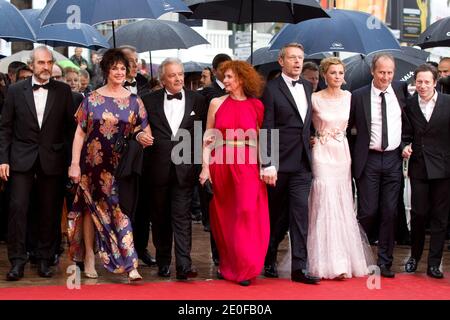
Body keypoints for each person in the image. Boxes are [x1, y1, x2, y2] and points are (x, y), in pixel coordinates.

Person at [67, 48, 153, 281]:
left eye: (122, 68)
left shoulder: (135, 102)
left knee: (120, 212)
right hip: (91, 166)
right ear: (106, 70)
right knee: (89, 211)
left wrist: (141, 137)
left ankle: (130, 263)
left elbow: (145, 133)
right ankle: (89, 258)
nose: (119, 72)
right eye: (114, 68)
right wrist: (74, 164)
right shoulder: (91, 99)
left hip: (120, 168)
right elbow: (79, 134)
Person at [0, 46, 74, 281]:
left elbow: (70, 130)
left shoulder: (63, 91)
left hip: (52, 159)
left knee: (49, 211)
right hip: (20, 158)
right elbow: (5, 128)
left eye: (48, 62)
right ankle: (18, 261)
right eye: (41, 63)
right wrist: (3, 159)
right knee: (18, 208)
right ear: (31, 65)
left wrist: (71, 160)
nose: (45, 67)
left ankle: (44, 258)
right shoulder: (14, 90)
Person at [199, 60, 269, 286]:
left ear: (241, 79)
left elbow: (260, 139)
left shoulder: (256, 105)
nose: (225, 81)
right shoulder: (216, 103)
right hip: (221, 164)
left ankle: (246, 265)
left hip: (248, 165)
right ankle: (231, 265)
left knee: (246, 211)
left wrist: (266, 166)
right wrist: (205, 168)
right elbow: (207, 138)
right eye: (224, 77)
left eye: (229, 77)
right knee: (225, 217)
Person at [138, 58, 206, 280]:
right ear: (162, 79)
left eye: (180, 74)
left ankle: (184, 265)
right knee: (159, 218)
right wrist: (140, 135)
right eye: (172, 75)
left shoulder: (198, 100)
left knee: (182, 216)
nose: (178, 79)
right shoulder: (148, 100)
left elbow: (204, 133)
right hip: (156, 168)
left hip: (186, 168)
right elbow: (136, 127)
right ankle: (164, 261)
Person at [260, 43, 320, 284]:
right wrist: (268, 163)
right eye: (292, 58)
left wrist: (312, 136)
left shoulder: (308, 86)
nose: (297, 62)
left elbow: (306, 121)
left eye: (300, 58)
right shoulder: (271, 89)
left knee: (300, 215)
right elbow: (267, 127)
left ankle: (300, 268)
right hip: (279, 163)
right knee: (276, 217)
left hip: (303, 163)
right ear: (281, 61)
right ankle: (269, 259)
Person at [307, 57, 371, 279]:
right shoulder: (314, 98)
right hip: (322, 153)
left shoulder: (350, 98)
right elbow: (304, 125)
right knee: (324, 200)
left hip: (342, 154)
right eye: (333, 72)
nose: (337, 76)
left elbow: (359, 125)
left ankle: (344, 260)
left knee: (343, 202)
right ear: (324, 75)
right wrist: (310, 139)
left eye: (340, 73)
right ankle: (324, 262)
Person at [348, 53, 410, 278]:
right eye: (382, 72)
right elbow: (349, 129)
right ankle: (358, 257)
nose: (386, 77)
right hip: (369, 159)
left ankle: (385, 262)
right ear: (373, 72)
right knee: (368, 211)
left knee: (390, 212)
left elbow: (407, 123)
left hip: (393, 159)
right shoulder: (358, 96)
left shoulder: (401, 91)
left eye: (390, 72)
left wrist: (404, 144)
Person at [402, 64, 450, 279]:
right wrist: (405, 145)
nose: (422, 86)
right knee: (418, 214)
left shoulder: (448, 103)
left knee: (440, 218)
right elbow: (405, 133)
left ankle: (434, 263)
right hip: (420, 166)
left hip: (444, 167)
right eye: (419, 82)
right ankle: (414, 256)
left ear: (435, 82)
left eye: (426, 82)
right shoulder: (409, 105)